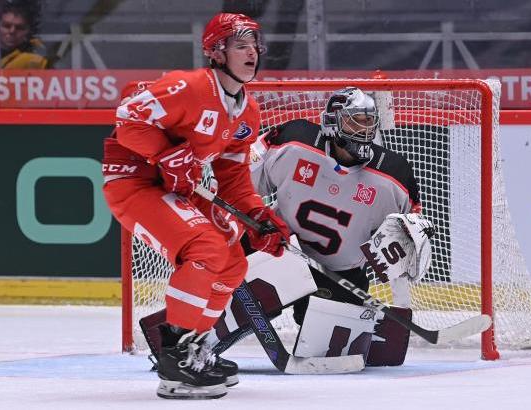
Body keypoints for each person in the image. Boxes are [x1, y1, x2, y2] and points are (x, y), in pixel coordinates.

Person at [101, 13, 289, 400]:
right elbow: (127, 119)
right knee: (204, 246)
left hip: (173, 189)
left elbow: (234, 178)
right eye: (240, 45)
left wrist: (257, 216)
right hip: (133, 181)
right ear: (216, 52)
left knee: (233, 260)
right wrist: (165, 153)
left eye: (254, 44)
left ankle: (197, 348)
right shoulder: (187, 86)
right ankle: (176, 358)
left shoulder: (247, 115)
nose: (252, 52)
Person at [248, 87, 429, 364]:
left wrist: (404, 243)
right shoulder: (295, 142)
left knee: (331, 356)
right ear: (332, 122)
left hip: (339, 274)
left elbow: (413, 235)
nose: (364, 129)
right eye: (355, 120)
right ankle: (191, 336)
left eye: (369, 121)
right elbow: (242, 183)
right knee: (239, 307)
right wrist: (258, 218)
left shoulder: (394, 175)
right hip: (279, 253)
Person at [0, 0, 48, 69]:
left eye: (19, 28)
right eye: (6, 26)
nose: (12, 31)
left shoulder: (36, 59)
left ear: (29, 31)